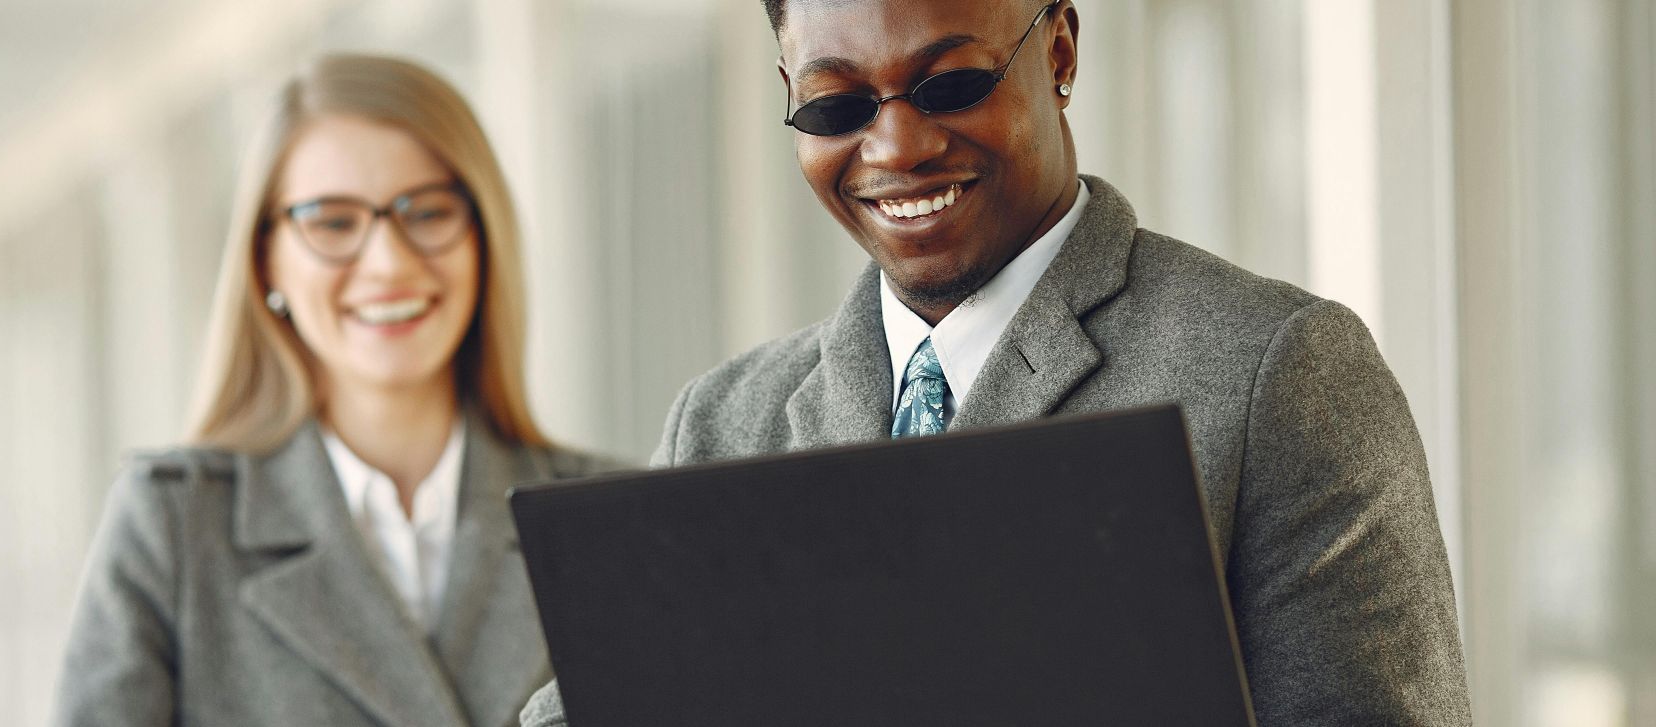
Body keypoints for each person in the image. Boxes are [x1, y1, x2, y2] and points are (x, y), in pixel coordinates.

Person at [522, 0, 1470, 724]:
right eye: (835, 104)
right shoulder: (722, 422)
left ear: (1058, 52)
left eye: (951, 84)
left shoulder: (1278, 371)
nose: (897, 146)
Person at [55, 53, 623, 727]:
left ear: (483, 237)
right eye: (332, 222)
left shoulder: (606, 518)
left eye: (429, 211)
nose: (388, 261)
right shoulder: (173, 526)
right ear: (267, 258)